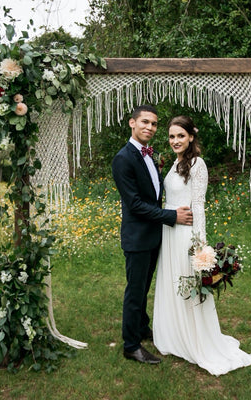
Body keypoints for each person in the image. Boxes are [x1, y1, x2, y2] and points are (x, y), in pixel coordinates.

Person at [153, 115, 251, 375]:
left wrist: (201, 244)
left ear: (191, 137)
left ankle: (196, 338)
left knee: (188, 283)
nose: (175, 141)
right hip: (169, 231)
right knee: (172, 281)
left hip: (186, 233)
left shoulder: (198, 164)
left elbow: (198, 204)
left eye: (180, 136)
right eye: (172, 136)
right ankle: (174, 334)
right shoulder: (175, 163)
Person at [112, 105, 193, 364]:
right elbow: (135, 204)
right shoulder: (123, 158)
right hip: (137, 237)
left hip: (153, 236)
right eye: (145, 122)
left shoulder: (151, 155)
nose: (150, 127)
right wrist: (172, 217)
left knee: (145, 286)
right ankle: (131, 345)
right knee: (135, 291)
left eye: (154, 124)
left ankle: (141, 327)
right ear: (132, 123)